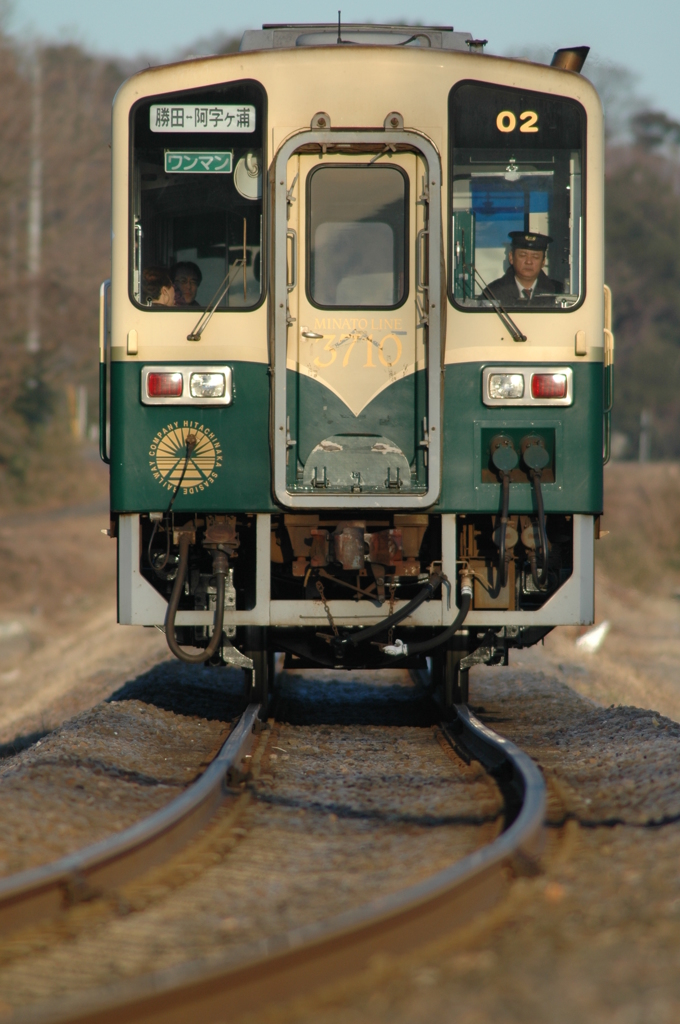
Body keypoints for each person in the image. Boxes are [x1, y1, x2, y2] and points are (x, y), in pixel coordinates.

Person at [483, 232, 564, 306]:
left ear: (543, 261)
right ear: (511, 257)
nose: (529, 262)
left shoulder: (558, 291)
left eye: (535, 257)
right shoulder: (493, 292)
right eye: (522, 255)